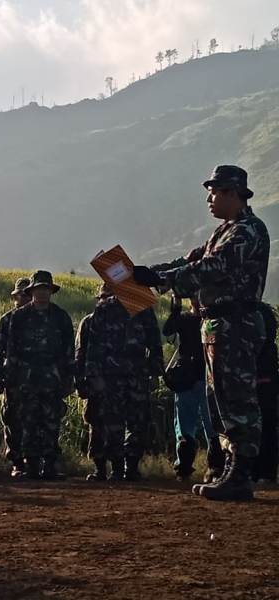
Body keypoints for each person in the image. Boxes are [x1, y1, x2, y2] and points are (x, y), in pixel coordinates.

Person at [134, 165, 269, 501]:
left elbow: (212, 267)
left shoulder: (248, 231)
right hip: (215, 326)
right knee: (219, 399)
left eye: (214, 191)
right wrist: (148, 273)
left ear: (232, 193)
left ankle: (240, 473)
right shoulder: (223, 231)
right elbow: (191, 260)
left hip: (235, 325)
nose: (209, 198)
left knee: (236, 399)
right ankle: (229, 468)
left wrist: (161, 280)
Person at [78, 282, 163, 482]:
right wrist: (93, 375)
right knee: (112, 422)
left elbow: (154, 342)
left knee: (138, 422)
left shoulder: (142, 308)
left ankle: (131, 466)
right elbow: (93, 346)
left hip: (137, 373)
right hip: (111, 376)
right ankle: (116, 468)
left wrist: (155, 372)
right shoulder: (103, 310)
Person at [6, 270, 75, 480]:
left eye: (46, 288)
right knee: (28, 423)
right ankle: (31, 466)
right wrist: (12, 378)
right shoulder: (19, 317)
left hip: (53, 379)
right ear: (32, 291)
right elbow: (12, 350)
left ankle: (50, 466)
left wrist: (68, 378)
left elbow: (68, 351)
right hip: (26, 379)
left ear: (51, 291)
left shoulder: (61, 317)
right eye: (39, 289)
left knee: (51, 423)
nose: (42, 293)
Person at [162, 294, 224, 482]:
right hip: (204, 376)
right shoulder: (210, 320)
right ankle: (213, 469)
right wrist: (175, 311)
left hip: (191, 377)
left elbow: (168, 331)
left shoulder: (187, 319)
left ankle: (187, 468)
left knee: (189, 426)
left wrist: (175, 310)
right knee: (209, 425)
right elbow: (168, 331)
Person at [0, 277, 31, 475]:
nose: (24, 298)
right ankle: (17, 461)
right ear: (15, 297)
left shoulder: (47, 317)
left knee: (38, 421)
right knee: (12, 420)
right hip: (13, 379)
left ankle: (38, 460)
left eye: (28, 294)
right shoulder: (7, 320)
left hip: (39, 380)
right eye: (21, 295)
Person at [254, 302, 278, 484]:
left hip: (262, 379)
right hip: (262, 380)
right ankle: (262, 472)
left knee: (264, 426)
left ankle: (264, 472)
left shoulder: (256, 312)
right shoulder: (262, 311)